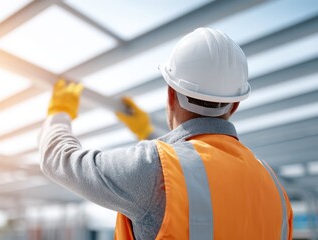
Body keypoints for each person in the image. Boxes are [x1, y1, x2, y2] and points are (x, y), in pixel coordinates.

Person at [38, 28, 292, 240]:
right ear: (235, 105)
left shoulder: (153, 168)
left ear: (170, 94)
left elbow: (58, 158)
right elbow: (191, 168)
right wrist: (144, 131)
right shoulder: (273, 187)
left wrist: (59, 112)